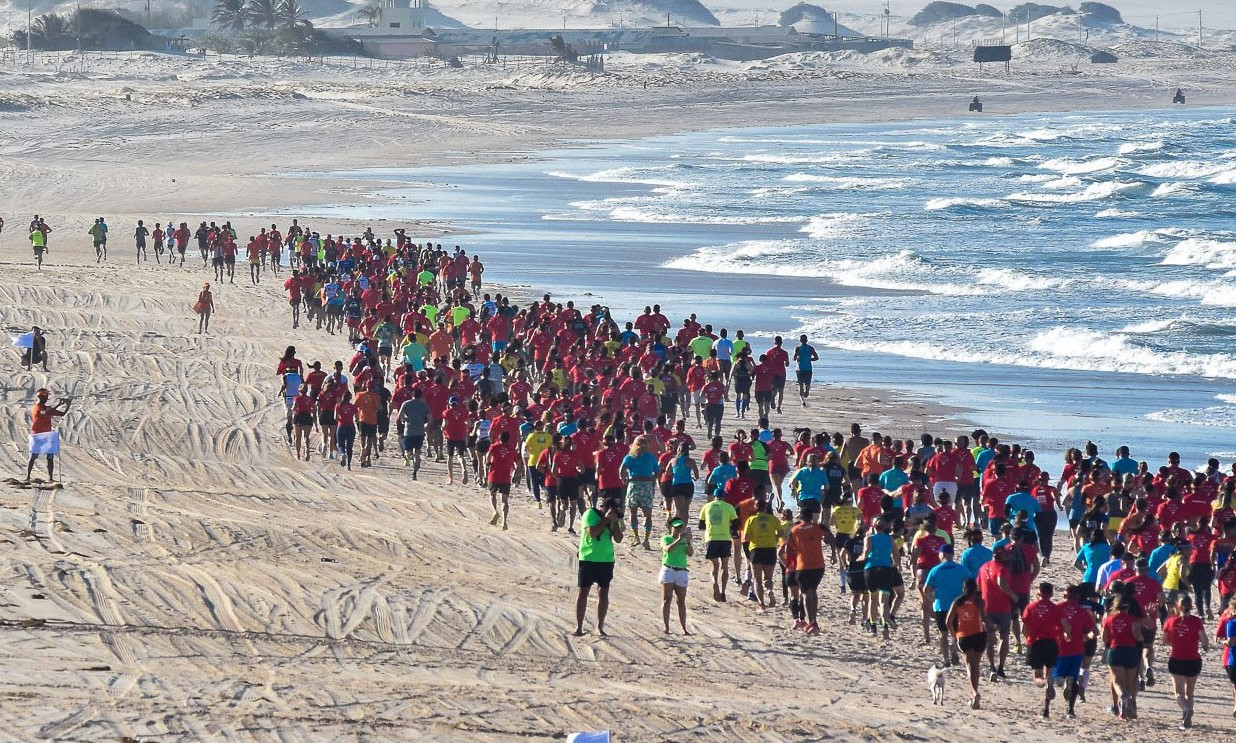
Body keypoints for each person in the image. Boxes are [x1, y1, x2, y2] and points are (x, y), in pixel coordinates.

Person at [575, 497, 624, 637]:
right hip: (588, 558)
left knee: (603, 592)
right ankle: (579, 627)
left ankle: (599, 627)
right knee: (583, 591)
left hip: (606, 560)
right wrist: (606, 519)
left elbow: (619, 539)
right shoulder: (590, 514)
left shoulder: (612, 520)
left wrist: (615, 523)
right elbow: (593, 533)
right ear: (604, 508)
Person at [1022, 582, 1070, 718]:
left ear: (1039, 592)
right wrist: (1068, 636)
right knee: (1050, 671)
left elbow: (1024, 629)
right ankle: (1046, 708)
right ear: (1051, 594)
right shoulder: (1055, 608)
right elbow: (1066, 625)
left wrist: (1028, 640)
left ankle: (1044, 682)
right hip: (1051, 643)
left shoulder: (1031, 607)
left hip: (1036, 642)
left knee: (1037, 676)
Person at [1162, 594, 1208, 729]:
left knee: (1179, 693)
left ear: (1178, 605)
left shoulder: (1171, 621)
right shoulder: (1196, 621)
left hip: (1177, 659)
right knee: (1190, 692)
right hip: (1193, 660)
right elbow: (1204, 640)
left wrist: (1176, 642)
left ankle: (1186, 709)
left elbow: (1164, 641)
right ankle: (1187, 720)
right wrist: (1204, 646)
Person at [787, 505, 830, 634]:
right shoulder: (818, 528)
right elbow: (830, 538)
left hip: (802, 566)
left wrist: (798, 552)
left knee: (806, 593)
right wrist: (833, 553)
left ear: (801, 517)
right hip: (818, 566)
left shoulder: (794, 530)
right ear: (811, 517)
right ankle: (814, 620)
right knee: (813, 591)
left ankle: (811, 622)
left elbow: (788, 549)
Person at [945, 578, 988, 709]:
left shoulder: (958, 602)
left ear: (964, 588)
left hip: (965, 636)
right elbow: (985, 619)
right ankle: (974, 694)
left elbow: (948, 621)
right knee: (976, 666)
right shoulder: (979, 601)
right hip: (980, 635)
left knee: (970, 667)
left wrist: (954, 635)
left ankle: (974, 693)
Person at [923, 543, 967, 666]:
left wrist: (932, 598)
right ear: (952, 555)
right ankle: (954, 651)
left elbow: (927, 588)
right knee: (956, 632)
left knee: (943, 633)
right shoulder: (960, 568)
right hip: (957, 604)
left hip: (941, 605)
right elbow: (970, 582)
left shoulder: (935, 570)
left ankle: (946, 660)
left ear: (942, 554)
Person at [1102, 594, 1144, 720]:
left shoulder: (1108, 619)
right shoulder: (1133, 620)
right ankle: (1126, 709)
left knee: (1117, 681)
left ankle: (1124, 697)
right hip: (1131, 651)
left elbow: (1104, 638)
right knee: (1130, 681)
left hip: (1115, 650)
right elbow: (1138, 637)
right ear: (1128, 607)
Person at [699, 487, 738, 602]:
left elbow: (701, 526)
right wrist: (729, 527)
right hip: (725, 538)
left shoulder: (706, 507)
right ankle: (723, 591)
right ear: (724, 497)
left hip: (711, 538)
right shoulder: (729, 507)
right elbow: (736, 523)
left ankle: (715, 583)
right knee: (724, 566)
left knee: (714, 565)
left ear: (714, 496)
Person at [621, 435, 660, 549]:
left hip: (634, 484)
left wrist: (624, 480)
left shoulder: (630, 457)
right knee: (647, 515)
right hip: (646, 485)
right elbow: (657, 472)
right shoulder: (651, 457)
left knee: (633, 513)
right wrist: (652, 480)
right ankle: (646, 539)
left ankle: (636, 537)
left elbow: (622, 469)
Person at [744, 495, 782, 613]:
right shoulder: (773, 519)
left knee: (757, 579)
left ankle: (761, 603)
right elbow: (781, 534)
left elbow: (746, 537)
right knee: (768, 578)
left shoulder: (751, 519)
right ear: (766, 507)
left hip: (756, 549)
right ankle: (770, 591)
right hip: (770, 549)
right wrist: (773, 538)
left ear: (756, 507)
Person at [26, 389, 70, 482]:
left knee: (48, 457)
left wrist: (65, 405)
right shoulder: (38, 407)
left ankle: (48, 477)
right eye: (45, 397)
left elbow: (58, 413)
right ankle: (29, 476)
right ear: (41, 397)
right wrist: (61, 405)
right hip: (38, 435)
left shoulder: (42, 407)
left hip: (45, 434)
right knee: (34, 456)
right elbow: (47, 413)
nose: (46, 398)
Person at [659, 517, 694, 634]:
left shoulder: (684, 540)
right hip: (669, 569)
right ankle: (666, 626)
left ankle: (683, 627)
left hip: (681, 571)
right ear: (671, 527)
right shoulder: (666, 538)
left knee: (681, 601)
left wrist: (688, 542)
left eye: (680, 527)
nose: (679, 529)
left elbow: (690, 553)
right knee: (666, 599)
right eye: (677, 527)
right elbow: (667, 549)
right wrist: (679, 540)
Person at [396, 388, 430, 479]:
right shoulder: (424, 405)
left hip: (409, 431)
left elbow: (399, 416)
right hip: (420, 431)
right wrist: (426, 426)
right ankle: (414, 472)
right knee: (418, 451)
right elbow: (430, 417)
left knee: (407, 453)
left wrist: (404, 420)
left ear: (412, 395)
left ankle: (413, 457)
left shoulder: (406, 404)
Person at [664, 442, 699, 523]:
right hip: (688, 485)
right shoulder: (691, 461)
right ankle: (684, 528)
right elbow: (696, 475)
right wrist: (693, 478)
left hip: (677, 485)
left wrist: (675, 473)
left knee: (679, 510)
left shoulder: (673, 460)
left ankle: (676, 527)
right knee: (686, 509)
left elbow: (667, 472)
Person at [791, 334, 818, 407]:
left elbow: (794, 358)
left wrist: (798, 358)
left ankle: (803, 401)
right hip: (808, 368)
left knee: (800, 384)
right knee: (808, 383)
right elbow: (816, 358)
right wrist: (809, 359)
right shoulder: (811, 348)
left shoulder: (798, 348)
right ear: (807, 340)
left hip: (800, 368)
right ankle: (807, 391)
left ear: (800, 340)